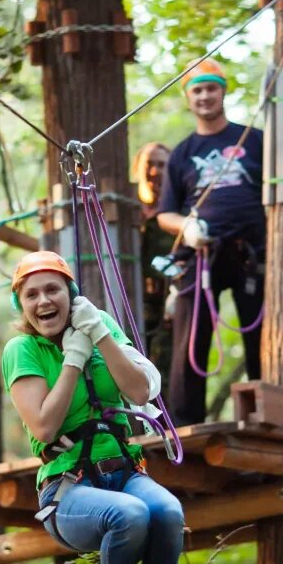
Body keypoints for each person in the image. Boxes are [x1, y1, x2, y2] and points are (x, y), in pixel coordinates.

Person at [0, 251, 184, 564]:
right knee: (130, 515)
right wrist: (72, 359)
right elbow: (43, 424)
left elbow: (140, 391)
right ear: (22, 306)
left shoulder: (99, 325)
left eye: (53, 289)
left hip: (123, 469)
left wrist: (99, 334)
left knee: (170, 512)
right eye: (32, 294)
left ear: (70, 294)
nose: (44, 300)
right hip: (69, 489)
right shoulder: (22, 349)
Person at [156, 58, 266, 426]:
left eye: (211, 88)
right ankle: (186, 426)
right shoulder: (182, 153)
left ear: (223, 91)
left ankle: (265, 416)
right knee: (191, 342)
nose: (205, 96)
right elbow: (164, 213)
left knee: (262, 339)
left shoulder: (253, 139)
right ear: (189, 98)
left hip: (251, 252)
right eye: (197, 90)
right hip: (201, 254)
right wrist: (187, 227)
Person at [131, 141, 173, 389]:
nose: (155, 171)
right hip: (129, 303)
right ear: (138, 169)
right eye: (149, 164)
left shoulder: (178, 212)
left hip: (168, 305)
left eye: (162, 165)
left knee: (164, 369)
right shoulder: (127, 211)